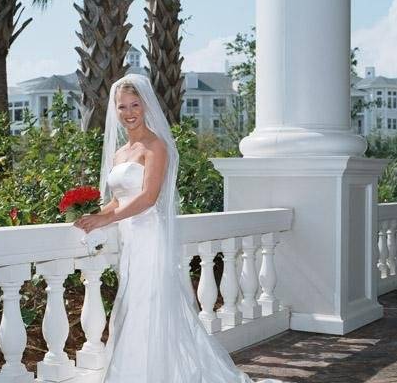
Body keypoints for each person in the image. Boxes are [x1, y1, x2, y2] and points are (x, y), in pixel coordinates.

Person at [74, 74, 280, 383]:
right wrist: (92, 215)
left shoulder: (155, 147)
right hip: (129, 241)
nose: (129, 113)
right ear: (115, 111)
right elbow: (117, 201)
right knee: (131, 306)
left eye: (135, 105)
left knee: (147, 305)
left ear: (145, 106)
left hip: (149, 236)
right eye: (122, 107)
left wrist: (106, 219)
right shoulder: (119, 154)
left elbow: (147, 197)